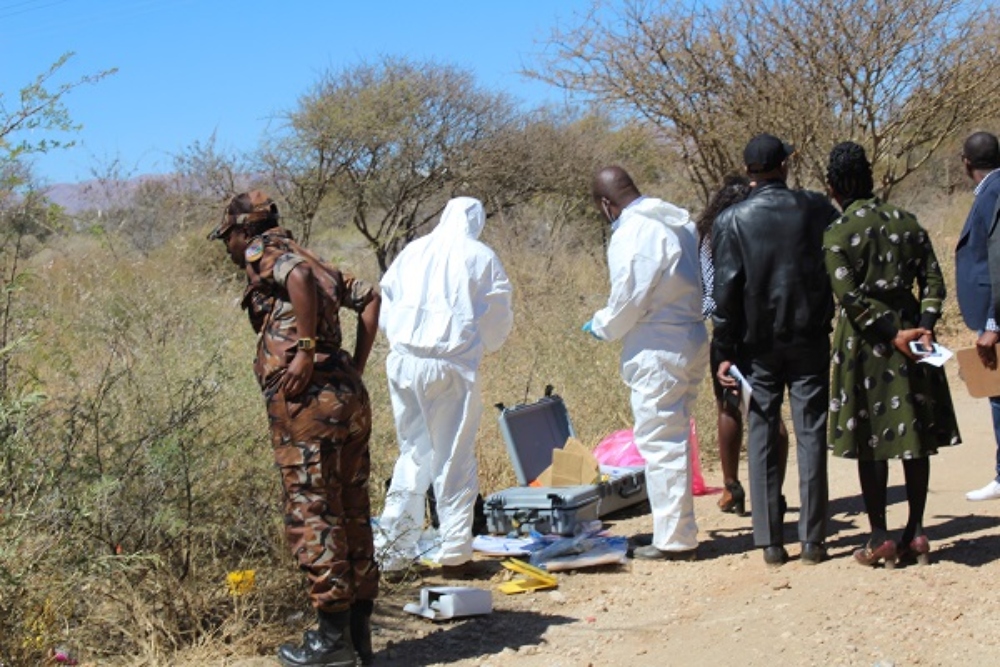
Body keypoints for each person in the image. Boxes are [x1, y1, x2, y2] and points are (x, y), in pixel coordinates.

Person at [208, 191, 380, 667]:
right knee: (351, 506)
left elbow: (298, 279)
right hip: (346, 397)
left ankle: (332, 642)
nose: (229, 248)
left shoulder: (264, 254)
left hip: (306, 404)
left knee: (313, 510)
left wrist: (305, 350)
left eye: (228, 237)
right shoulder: (314, 258)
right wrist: (353, 367)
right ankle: (358, 637)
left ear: (244, 230)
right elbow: (369, 297)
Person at [824, 141, 961, 568]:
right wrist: (922, 327)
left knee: (871, 438)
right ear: (869, 178)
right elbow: (935, 283)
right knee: (914, 433)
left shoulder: (838, 233)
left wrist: (892, 334)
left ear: (833, 187)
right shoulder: (909, 222)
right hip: (914, 337)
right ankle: (917, 532)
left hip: (867, 344)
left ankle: (880, 536)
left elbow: (848, 297)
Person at [713, 134, 839, 566]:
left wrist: (724, 349)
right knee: (811, 433)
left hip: (756, 346)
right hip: (809, 338)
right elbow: (832, 271)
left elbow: (726, 291)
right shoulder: (818, 208)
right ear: (784, 165)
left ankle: (769, 541)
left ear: (748, 171)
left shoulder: (731, 221)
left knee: (762, 433)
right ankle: (814, 540)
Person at [375, 196, 513, 577]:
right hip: (449, 366)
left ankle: (392, 552)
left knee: (413, 453)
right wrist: (480, 342)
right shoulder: (479, 255)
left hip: (402, 363)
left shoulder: (413, 250)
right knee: (453, 455)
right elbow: (498, 315)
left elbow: (385, 304)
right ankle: (454, 553)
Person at [584, 166, 708, 560]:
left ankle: (674, 541)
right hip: (689, 336)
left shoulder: (634, 232)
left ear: (606, 205)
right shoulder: (676, 220)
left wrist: (602, 325)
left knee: (661, 441)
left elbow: (628, 300)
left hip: (658, 343)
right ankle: (672, 529)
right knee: (673, 436)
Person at [696, 174, 789, 516]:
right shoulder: (762, 229)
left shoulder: (707, 237)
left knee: (728, 406)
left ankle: (732, 487)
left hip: (726, 333)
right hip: (767, 329)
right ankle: (773, 494)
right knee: (769, 410)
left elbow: (709, 295)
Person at [955, 131, 1000, 502]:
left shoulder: (994, 193)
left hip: (995, 317)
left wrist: (992, 324)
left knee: (999, 394)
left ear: (966, 163)